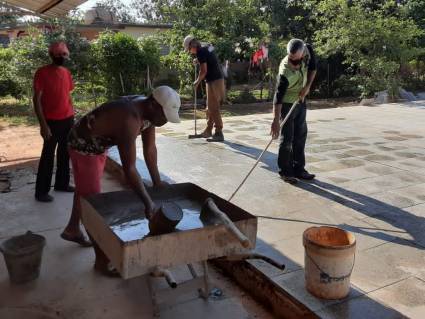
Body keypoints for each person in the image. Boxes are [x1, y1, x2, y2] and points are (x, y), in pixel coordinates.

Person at [61, 86, 181, 275]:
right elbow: (129, 168)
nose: (165, 121)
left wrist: (157, 182)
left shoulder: (148, 113)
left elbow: (150, 150)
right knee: (94, 205)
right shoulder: (129, 118)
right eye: (165, 115)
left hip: (98, 144)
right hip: (84, 147)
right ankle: (101, 262)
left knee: (86, 191)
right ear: (153, 105)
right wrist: (148, 203)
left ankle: (72, 229)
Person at [270, 39, 317, 184]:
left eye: (297, 62)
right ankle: (285, 171)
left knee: (300, 135)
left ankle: (299, 168)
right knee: (287, 138)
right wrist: (276, 121)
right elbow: (278, 97)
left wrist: (307, 86)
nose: (294, 64)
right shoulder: (285, 72)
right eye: (291, 60)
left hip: (300, 101)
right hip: (286, 103)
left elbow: (313, 68)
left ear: (303, 54)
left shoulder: (307, 50)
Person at [33, 41, 75, 202]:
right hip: (51, 121)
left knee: (65, 153)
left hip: (68, 119)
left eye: (64, 55)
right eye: (59, 55)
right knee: (48, 156)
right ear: (51, 55)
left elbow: (68, 94)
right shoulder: (42, 72)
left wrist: (73, 112)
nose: (62, 58)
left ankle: (62, 184)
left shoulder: (66, 72)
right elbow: (36, 100)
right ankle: (41, 192)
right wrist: (43, 125)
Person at [183, 35, 225, 142]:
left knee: (213, 107)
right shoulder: (206, 47)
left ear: (192, 45)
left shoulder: (200, 52)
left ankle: (219, 133)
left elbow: (203, 71)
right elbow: (210, 57)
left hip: (214, 81)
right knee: (210, 107)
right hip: (216, 79)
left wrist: (197, 82)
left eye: (189, 49)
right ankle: (208, 130)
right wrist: (199, 60)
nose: (190, 52)